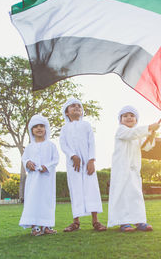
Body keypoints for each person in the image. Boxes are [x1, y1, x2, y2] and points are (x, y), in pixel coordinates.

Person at [107, 106, 160, 232]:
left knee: (135, 194)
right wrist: (149, 128)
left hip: (134, 169)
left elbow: (146, 147)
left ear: (136, 119)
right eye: (125, 116)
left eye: (132, 115)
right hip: (121, 169)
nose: (129, 118)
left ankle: (139, 220)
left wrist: (151, 135)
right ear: (120, 120)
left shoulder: (138, 134)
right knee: (122, 194)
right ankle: (123, 222)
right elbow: (131, 134)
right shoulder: (121, 130)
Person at [60, 98, 106, 232]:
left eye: (78, 106)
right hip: (73, 164)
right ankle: (76, 222)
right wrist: (73, 156)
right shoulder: (64, 128)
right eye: (72, 106)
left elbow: (91, 143)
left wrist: (91, 160)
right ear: (67, 112)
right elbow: (64, 145)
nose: (76, 108)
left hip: (87, 163)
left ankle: (95, 221)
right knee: (75, 190)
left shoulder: (86, 125)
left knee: (91, 189)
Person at [19, 114, 59, 236]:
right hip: (33, 180)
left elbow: (55, 160)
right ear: (32, 130)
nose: (39, 128)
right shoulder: (30, 147)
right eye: (36, 126)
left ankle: (47, 226)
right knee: (33, 201)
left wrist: (46, 166)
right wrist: (28, 163)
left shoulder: (51, 145)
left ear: (46, 128)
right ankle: (35, 227)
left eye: (42, 126)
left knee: (47, 201)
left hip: (47, 180)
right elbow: (24, 159)